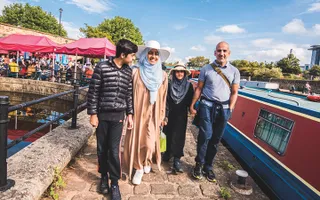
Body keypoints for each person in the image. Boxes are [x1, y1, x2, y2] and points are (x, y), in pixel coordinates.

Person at [87, 39, 137, 200]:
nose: (133, 58)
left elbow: (129, 94)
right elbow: (93, 91)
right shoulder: (102, 67)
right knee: (102, 149)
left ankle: (114, 182)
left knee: (114, 150)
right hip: (102, 114)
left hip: (118, 116)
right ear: (123, 55)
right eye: (132, 55)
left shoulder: (128, 71)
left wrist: (130, 114)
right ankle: (103, 177)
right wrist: (93, 114)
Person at [190, 41, 240, 182]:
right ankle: (198, 164)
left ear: (229, 53)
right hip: (207, 106)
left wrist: (231, 107)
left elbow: (235, 92)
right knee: (205, 136)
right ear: (215, 52)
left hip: (224, 109)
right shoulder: (206, 68)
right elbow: (199, 88)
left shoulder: (235, 71)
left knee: (216, 139)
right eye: (219, 50)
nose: (221, 53)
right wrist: (193, 104)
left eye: (224, 51)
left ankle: (208, 167)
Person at [123, 40, 170, 185]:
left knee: (150, 142)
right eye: (151, 53)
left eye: (156, 54)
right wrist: (129, 113)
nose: (153, 56)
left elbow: (163, 97)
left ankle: (147, 159)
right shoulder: (135, 71)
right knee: (137, 140)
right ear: (145, 54)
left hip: (153, 113)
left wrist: (162, 114)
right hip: (138, 111)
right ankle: (138, 167)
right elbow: (128, 94)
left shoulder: (163, 75)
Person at [162, 62, 194, 173]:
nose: (179, 74)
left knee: (179, 136)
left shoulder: (189, 86)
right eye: (177, 71)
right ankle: (167, 153)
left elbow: (191, 101)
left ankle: (177, 159)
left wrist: (193, 109)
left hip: (181, 115)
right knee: (168, 134)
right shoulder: (169, 84)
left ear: (185, 74)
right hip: (170, 113)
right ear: (174, 73)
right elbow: (165, 100)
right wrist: (164, 115)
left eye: (182, 72)